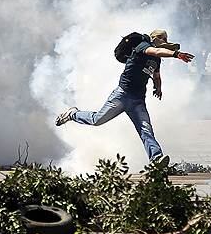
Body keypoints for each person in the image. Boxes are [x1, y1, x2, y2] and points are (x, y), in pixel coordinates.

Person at [55, 30, 194, 165]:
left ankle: (156, 159)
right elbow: (156, 51)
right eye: (162, 38)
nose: (164, 42)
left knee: (146, 130)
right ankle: (73, 114)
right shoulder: (143, 46)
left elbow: (156, 75)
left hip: (138, 100)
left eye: (166, 39)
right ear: (155, 39)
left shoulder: (157, 60)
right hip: (121, 96)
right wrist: (177, 54)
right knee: (97, 120)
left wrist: (158, 88)